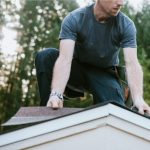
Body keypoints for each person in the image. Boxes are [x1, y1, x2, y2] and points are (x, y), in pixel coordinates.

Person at [35, 0, 150, 115]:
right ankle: (49, 108)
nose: (121, 3)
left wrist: (138, 99)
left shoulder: (126, 25)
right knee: (45, 56)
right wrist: (56, 93)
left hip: (104, 73)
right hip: (77, 69)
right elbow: (65, 59)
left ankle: (115, 97)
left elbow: (132, 64)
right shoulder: (75, 19)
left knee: (116, 113)